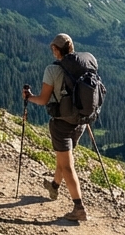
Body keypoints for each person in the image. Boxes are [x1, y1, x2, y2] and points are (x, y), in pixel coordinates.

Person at [22, 33, 88, 222]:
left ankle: (79, 207)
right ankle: (54, 186)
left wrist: (29, 97)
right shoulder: (82, 66)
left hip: (61, 123)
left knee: (67, 164)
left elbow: (43, 100)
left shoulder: (52, 70)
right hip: (80, 122)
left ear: (55, 50)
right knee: (64, 155)